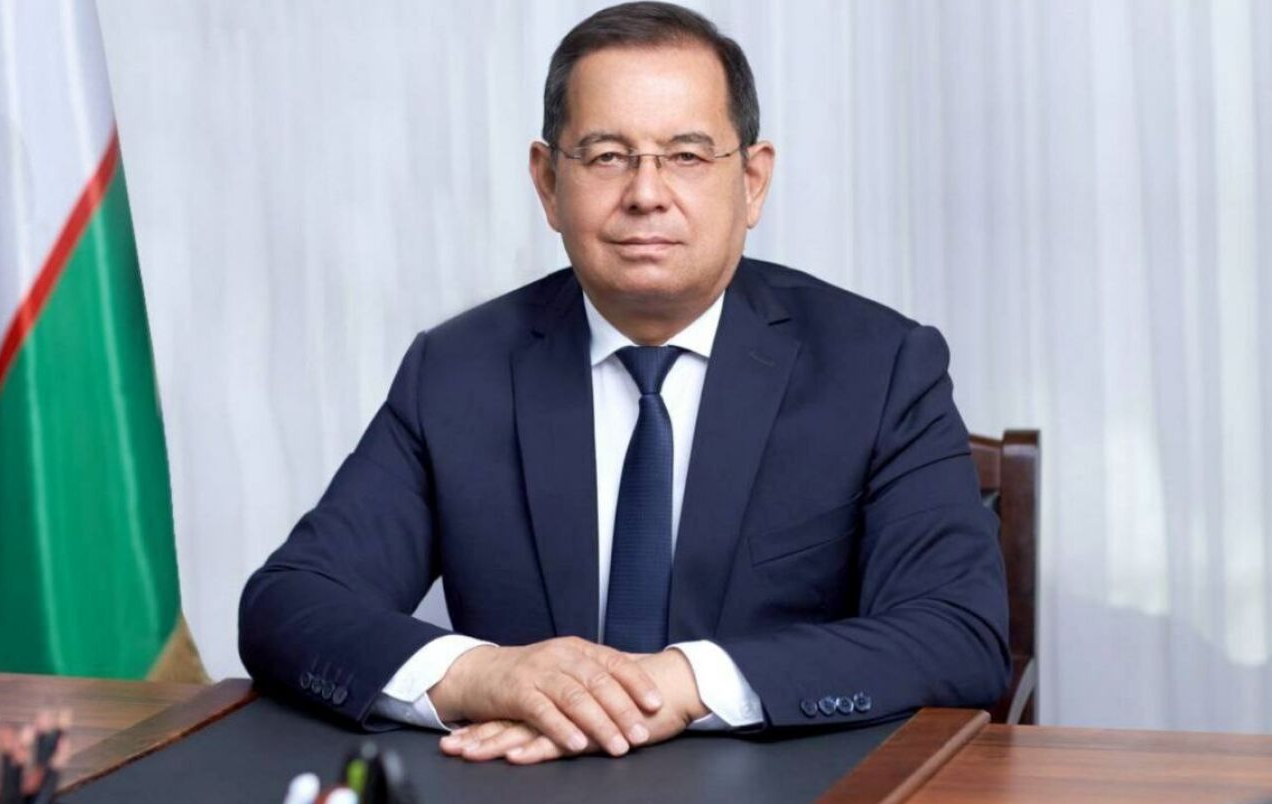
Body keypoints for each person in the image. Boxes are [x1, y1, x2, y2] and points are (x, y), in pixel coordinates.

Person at [238, 1, 1009, 766]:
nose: (646, 193)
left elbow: (957, 633)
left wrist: (686, 683)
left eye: (687, 155)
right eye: (608, 156)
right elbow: (289, 602)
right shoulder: (457, 372)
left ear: (752, 181)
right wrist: (484, 675)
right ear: (548, 182)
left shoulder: (878, 367)